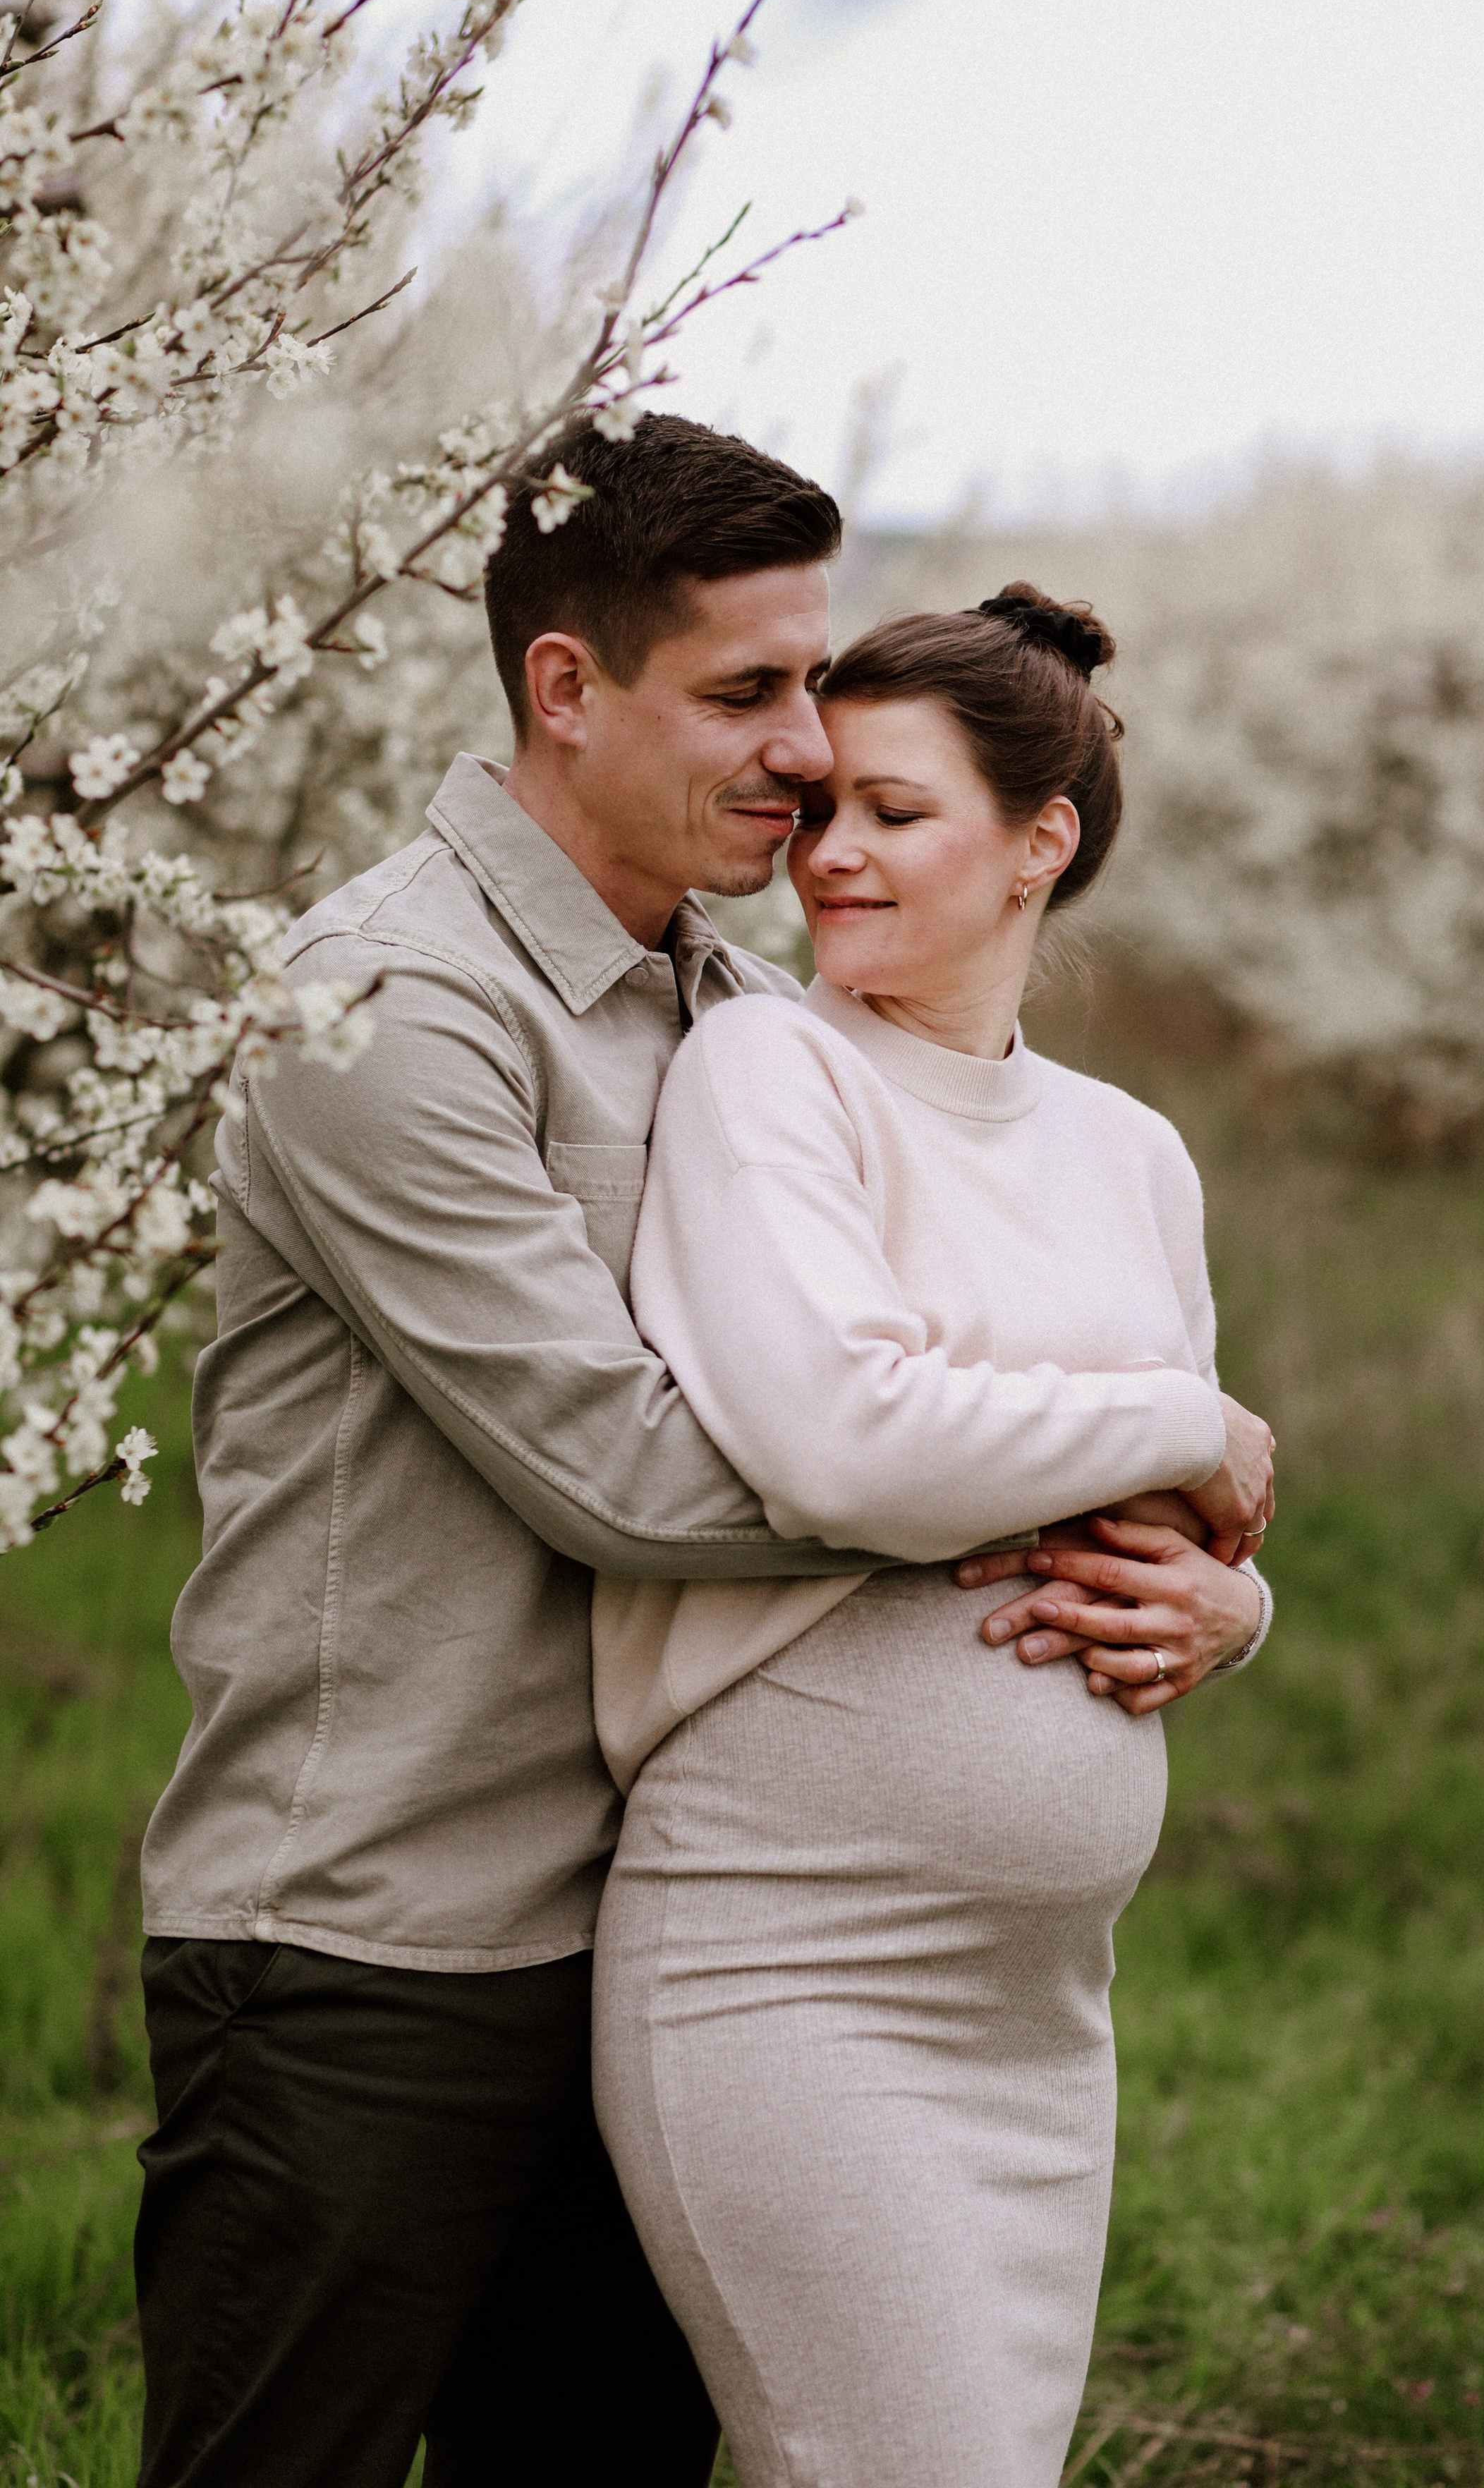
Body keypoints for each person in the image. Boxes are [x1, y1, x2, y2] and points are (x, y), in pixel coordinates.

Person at [131, 418, 1275, 2488]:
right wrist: (1143, 1451)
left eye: (813, 695)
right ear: (565, 689)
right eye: (748, 695)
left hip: (647, 1920)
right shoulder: (384, 1009)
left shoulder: (731, 1000)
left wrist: (1215, 1582)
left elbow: (931, 1359)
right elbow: (646, 1478)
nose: (797, 754)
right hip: (375, 1928)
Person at [590, 583, 1273, 2488]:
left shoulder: (1132, 1152)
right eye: (821, 811)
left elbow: (1185, 1529)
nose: (831, 855)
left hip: (1038, 2008)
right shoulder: (770, 1072)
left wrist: (1236, 1606)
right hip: (793, 1957)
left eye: (895, 811)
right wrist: (1189, 1421)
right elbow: (845, 1438)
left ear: (1040, 840)